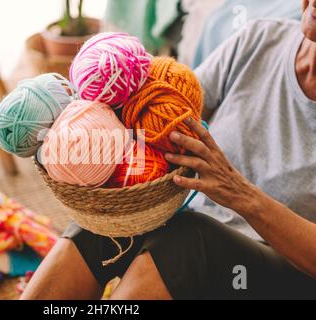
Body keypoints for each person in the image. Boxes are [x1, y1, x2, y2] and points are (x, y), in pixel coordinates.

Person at [21, 0, 316, 299]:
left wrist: (243, 196)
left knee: (189, 241)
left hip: (287, 271)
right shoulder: (260, 39)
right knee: (111, 219)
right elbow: (167, 106)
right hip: (196, 221)